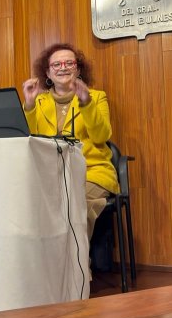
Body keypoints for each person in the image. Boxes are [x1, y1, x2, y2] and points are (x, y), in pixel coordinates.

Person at [22, 43, 119, 240]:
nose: (63, 67)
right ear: (47, 73)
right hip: (50, 175)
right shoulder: (38, 101)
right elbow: (29, 141)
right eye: (56, 65)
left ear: (78, 69)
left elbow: (101, 136)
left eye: (69, 63)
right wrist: (30, 105)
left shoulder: (96, 97)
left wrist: (86, 102)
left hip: (91, 172)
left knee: (73, 204)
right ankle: (50, 265)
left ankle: (79, 266)